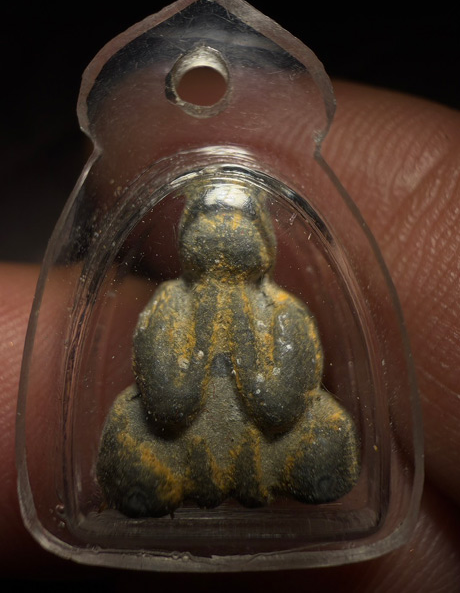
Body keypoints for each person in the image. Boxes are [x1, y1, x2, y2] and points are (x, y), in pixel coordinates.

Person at [1, 80, 459, 590]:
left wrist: (249, 361)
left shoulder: (284, 312)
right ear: (185, 239)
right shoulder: (169, 306)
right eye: (207, 223)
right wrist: (199, 354)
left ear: (264, 244)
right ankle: (162, 485)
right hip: (184, 443)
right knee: (129, 435)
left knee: (327, 434)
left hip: (268, 444)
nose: (223, 233)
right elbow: (166, 404)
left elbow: (285, 405)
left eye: (239, 226)